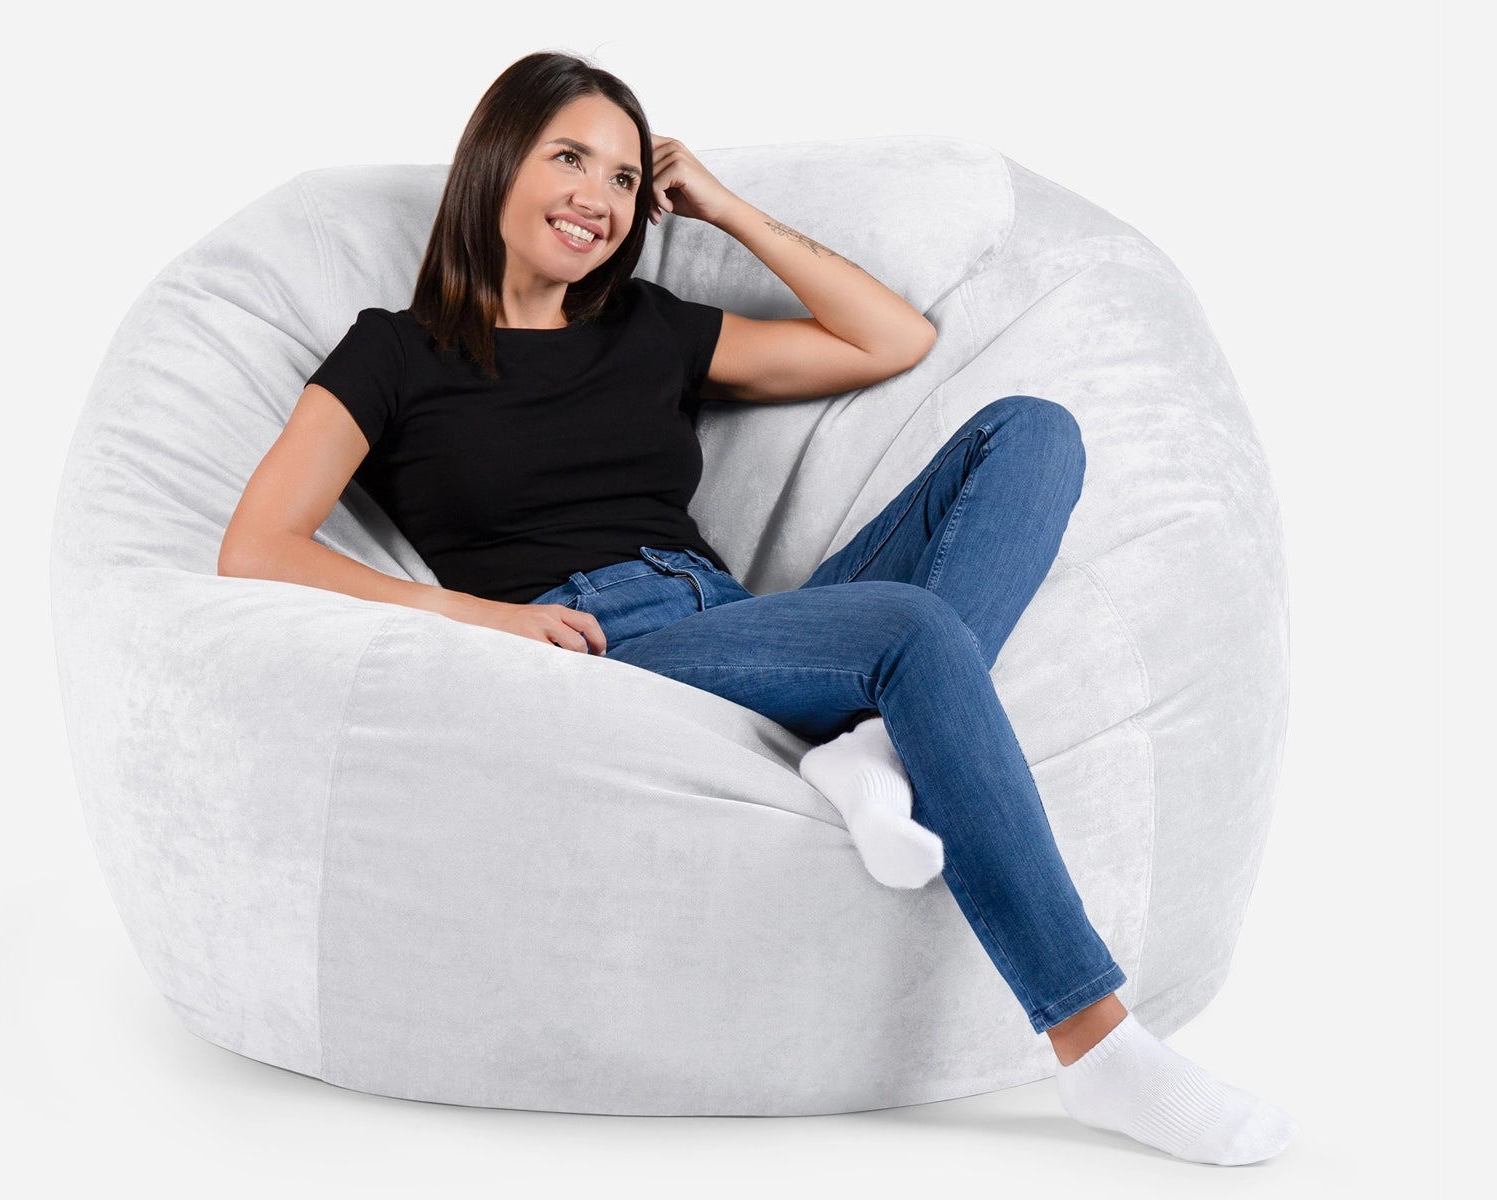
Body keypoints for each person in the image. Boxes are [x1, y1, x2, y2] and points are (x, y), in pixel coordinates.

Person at [219, 50, 1297, 1166]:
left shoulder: (643, 327)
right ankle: (1098, 1045)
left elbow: (889, 342)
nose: (597, 197)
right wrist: (482, 619)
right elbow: (257, 548)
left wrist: (726, 210)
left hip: (738, 619)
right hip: (612, 646)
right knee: (910, 632)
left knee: (1030, 430)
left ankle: (879, 743)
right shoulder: (394, 353)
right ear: (496, 161)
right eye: (569, 159)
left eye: (626, 180)